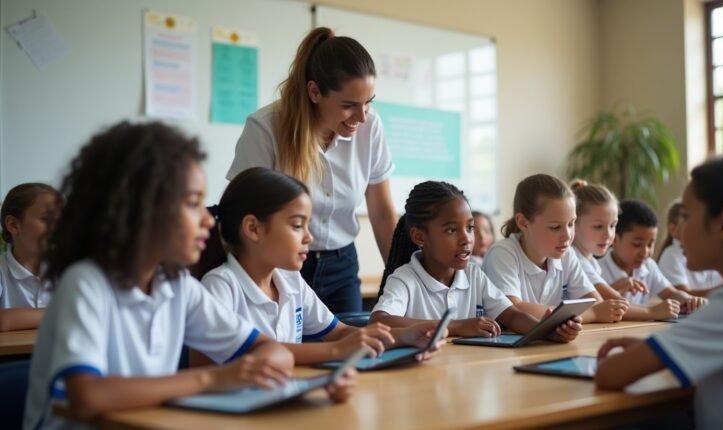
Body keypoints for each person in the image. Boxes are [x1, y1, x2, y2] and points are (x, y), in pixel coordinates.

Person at [23, 122, 353, 430]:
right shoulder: (87, 283)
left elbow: (271, 350)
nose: (208, 220)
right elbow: (88, 397)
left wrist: (303, 385)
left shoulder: (177, 286)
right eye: (194, 204)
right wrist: (215, 379)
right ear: (144, 208)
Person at [195, 167, 445, 365]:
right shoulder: (221, 286)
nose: (309, 237)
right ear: (253, 228)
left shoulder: (289, 280)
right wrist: (336, 351)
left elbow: (339, 332)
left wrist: (404, 336)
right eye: (297, 225)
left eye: (308, 225)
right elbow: (253, 353)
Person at [228, 27, 397, 313]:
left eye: (368, 103)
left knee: (351, 338)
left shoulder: (371, 126)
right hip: (281, 265)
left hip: (342, 266)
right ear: (315, 92)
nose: (361, 116)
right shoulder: (265, 128)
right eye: (349, 105)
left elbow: (381, 213)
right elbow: (240, 215)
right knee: (288, 341)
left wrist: (403, 281)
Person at [595, 154, 723, 430]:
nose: (677, 232)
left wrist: (649, 353)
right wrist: (657, 349)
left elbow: (609, 374)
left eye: (686, 216)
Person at [370, 181, 581, 342]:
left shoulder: (474, 275)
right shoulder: (405, 279)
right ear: (419, 237)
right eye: (451, 230)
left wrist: (547, 331)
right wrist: (456, 326)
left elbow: (511, 315)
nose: (466, 239)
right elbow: (379, 321)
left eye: (470, 227)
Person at [482, 174, 628, 323]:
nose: (567, 236)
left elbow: (596, 303)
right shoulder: (502, 254)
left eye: (571, 224)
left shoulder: (567, 254)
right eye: (555, 227)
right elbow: (513, 311)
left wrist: (573, 318)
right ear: (523, 223)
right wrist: (591, 314)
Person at [571, 181, 679, 321]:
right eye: (598, 226)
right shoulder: (575, 259)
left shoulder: (591, 263)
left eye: (612, 225)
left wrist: (614, 288)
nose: (608, 235)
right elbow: (609, 305)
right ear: (573, 223)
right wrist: (652, 311)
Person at [597, 199, 707, 314]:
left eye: (650, 244)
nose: (645, 252)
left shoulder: (648, 266)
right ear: (614, 239)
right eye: (637, 244)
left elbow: (671, 293)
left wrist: (690, 300)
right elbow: (595, 307)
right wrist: (614, 288)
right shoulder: (598, 270)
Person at [0, 183, 61, 331]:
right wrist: (63, 313)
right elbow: (2, 321)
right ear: (13, 225)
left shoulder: (67, 269)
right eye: (46, 219)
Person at [657, 199, 723, 296]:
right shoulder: (671, 255)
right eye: (685, 218)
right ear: (673, 229)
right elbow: (683, 296)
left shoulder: (710, 251)